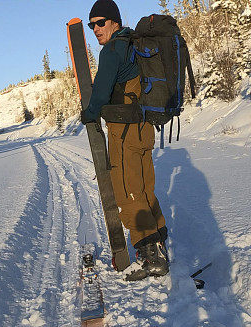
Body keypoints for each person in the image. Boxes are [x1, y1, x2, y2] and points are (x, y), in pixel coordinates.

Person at [82, 0, 169, 281]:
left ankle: (150, 259)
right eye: (91, 24)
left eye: (101, 22)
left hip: (125, 129)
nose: (95, 29)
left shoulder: (113, 51)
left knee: (126, 191)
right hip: (144, 128)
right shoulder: (134, 45)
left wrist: (89, 113)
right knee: (144, 186)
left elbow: (102, 93)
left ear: (114, 23)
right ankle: (158, 246)